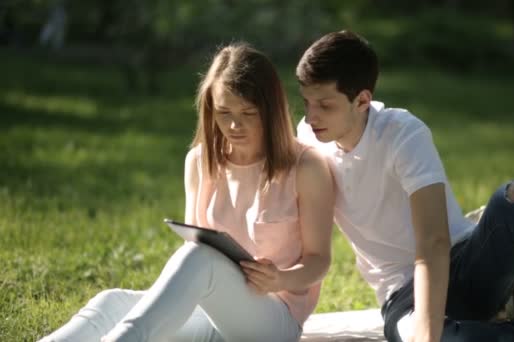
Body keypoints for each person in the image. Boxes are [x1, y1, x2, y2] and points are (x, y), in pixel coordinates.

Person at [296, 30, 514, 342]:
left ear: (362, 100)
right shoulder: (308, 139)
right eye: (306, 102)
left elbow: (433, 241)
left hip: (463, 264)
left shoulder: (402, 134)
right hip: (403, 298)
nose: (311, 116)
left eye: (325, 104)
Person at [40, 42, 334, 342]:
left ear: (269, 111)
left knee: (200, 258)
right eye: (223, 112)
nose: (234, 125)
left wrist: (280, 279)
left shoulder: (306, 167)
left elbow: (319, 260)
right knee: (110, 302)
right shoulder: (199, 160)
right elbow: (195, 248)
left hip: (274, 320)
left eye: (248, 112)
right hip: (212, 311)